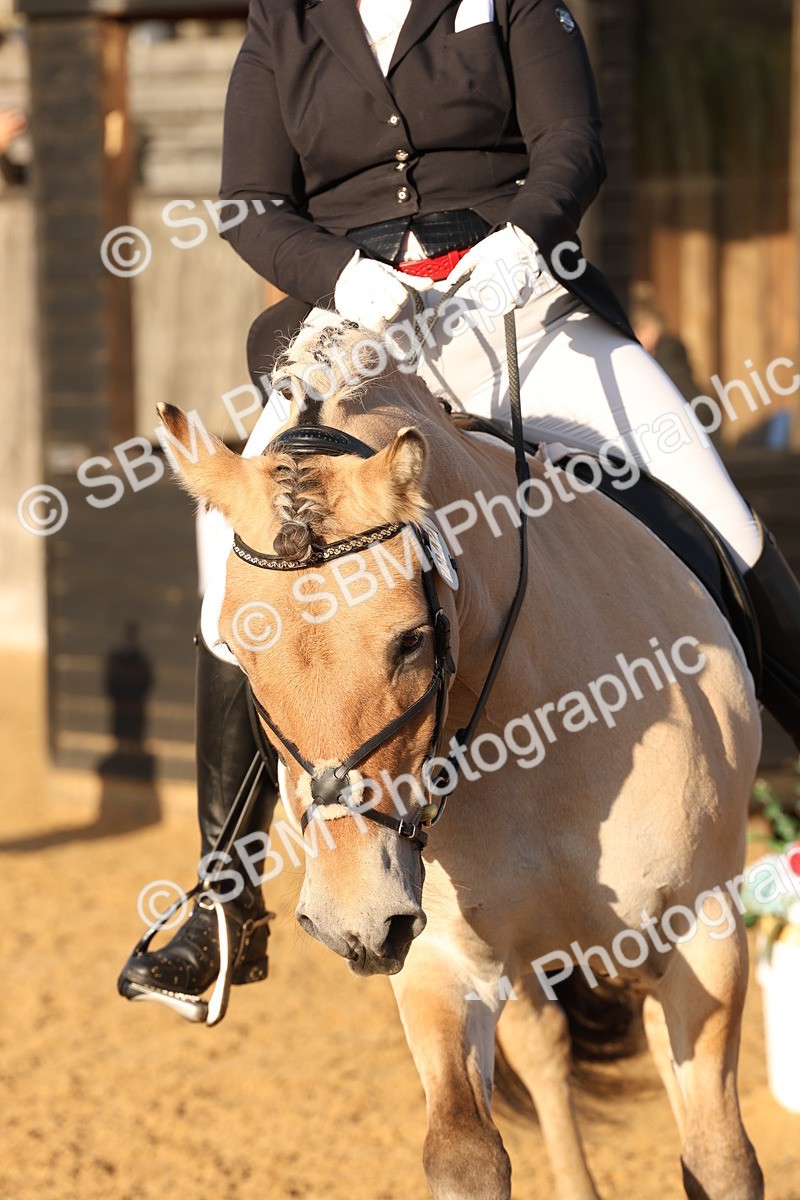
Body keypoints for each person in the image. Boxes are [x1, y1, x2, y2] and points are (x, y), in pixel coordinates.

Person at [119, 0, 800, 1014]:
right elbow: (251, 204)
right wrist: (342, 276)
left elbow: (571, 141)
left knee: (721, 510)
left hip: (515, 302)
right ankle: (222, 901)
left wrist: (526, 240)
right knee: (233, 559)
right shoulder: (282, 23)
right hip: (349, 331)